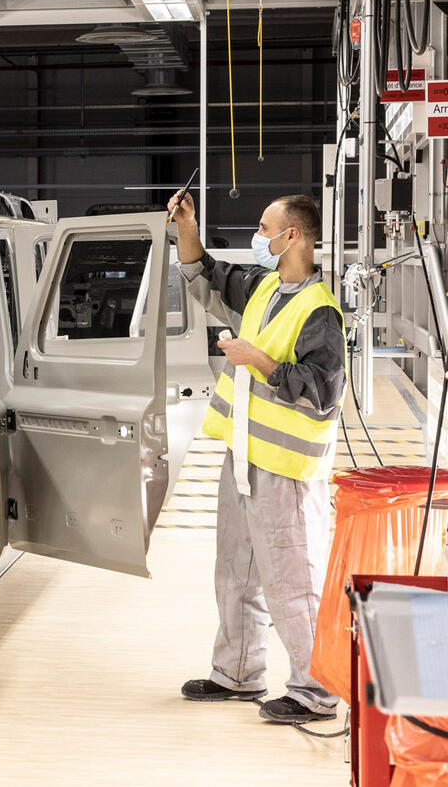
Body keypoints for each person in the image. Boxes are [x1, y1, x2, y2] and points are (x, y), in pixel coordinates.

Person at [167, 191, 346, 724]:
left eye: (264, 226)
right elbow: (205, 273)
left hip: (286, 469)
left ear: (292, 236)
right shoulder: (265, 286)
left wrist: (257, 360)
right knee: (236, 573)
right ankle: (238, 673)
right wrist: (186, 225)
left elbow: (321, 390)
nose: (257, 234)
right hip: (243, 454)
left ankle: (316, 690)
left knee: (292, 581)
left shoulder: (321, 313)